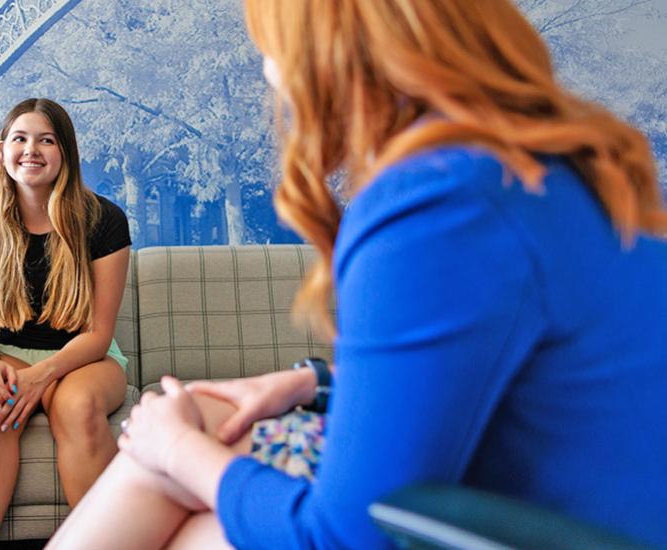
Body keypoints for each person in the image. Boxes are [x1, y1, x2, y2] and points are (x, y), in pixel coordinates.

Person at [47, 0, 667, 548]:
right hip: (571, 507)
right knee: (204, 420)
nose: (269, 74)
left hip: (526, 527)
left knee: (186, 493)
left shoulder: (436, 200)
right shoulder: (547, 166)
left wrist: (177, 451)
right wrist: (309, 383)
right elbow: (512, 376)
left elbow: (346, 533)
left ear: (333, 52)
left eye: (274, 49)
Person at [0, 98, 131, 548]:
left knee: (74, 406)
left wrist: (42, 379)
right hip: (0, 356)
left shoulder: (104, 221)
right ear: (1, 150)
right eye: (20, 138)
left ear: (65, 152)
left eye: (46, 140)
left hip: (85, 358)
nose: (31, 150)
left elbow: (98, 333)